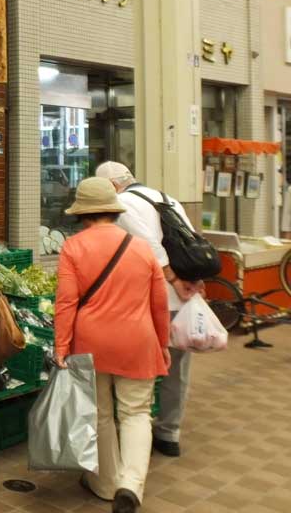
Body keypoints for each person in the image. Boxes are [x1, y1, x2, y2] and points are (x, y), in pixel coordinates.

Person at [55, 177, 170, 513]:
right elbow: (159, 303)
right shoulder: (141, 248)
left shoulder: (73, 247)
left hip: (90, 342)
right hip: (138, 340)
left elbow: (65, 303)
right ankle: (130, 485)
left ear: (83, 213)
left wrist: (61, 346)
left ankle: (105, 485)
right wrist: (162, 343)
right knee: (136, 414)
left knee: (101, 414)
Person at [95, 161, 202, 458]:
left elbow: (151, 248)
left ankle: (131, 430)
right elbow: (193, 243)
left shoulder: (122, 204)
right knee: (177, 367)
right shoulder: (168, 199)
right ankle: (169, 433)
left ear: (111, 186)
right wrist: (191, 280)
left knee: (140, 372)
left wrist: (174, 280)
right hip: (182, 297)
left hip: (152, 298)